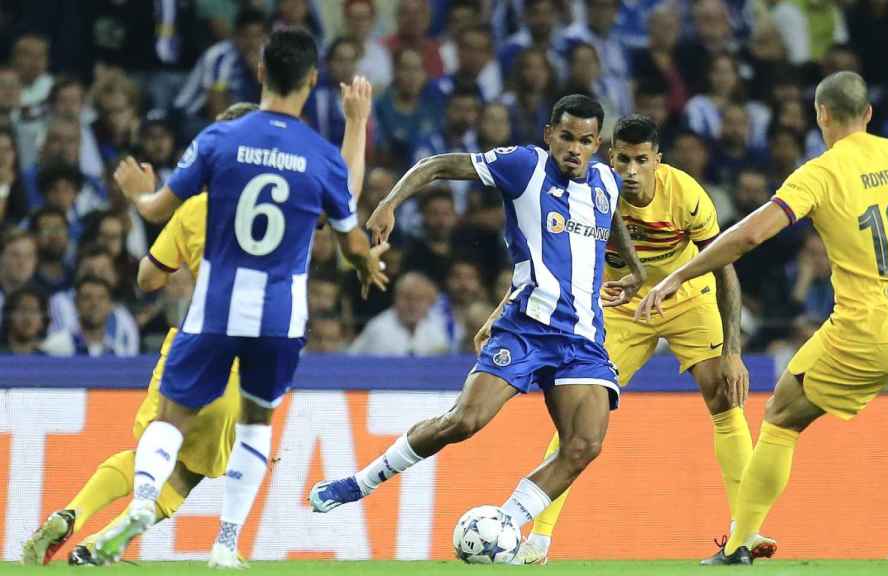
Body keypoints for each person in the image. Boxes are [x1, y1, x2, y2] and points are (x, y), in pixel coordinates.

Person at [638, 71, 888, 565]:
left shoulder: (820, 174)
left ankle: (741, 542)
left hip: (871, 328)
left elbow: (748, 237)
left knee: (781, 416)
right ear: (869, 114)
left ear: (821, 115)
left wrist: (680, 274)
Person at [92, 28, 386, 568]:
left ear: (259, 73)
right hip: (280, 315)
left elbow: (158, 208)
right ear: (313, 81)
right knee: (254, 425)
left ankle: (141, 501)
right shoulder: (318, 156)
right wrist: (356, 124)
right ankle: (225, 546)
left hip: (216, 305)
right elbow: (349, 229)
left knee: (170, 418)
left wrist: (137, 193)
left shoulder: (218, 141)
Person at [309, 95, 647, 562]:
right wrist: (388, 202)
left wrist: (635, 270)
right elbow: (438, 165)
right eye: (566, 137)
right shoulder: (523, 166)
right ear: (550, 135)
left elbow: (612, 223)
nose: (575, 148)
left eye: (586, 141)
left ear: (598, 144)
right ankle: (360, 483)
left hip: (583, 339)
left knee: (585, 445)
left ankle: (504, 524)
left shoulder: (607, 181)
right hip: (526, 328)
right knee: (463, 421)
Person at [514, 114, 776, 564]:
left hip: (687, 297)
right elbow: (542, 253)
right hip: (619, 306)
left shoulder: (688, 195)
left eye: (641, 160)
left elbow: (725, 268)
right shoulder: (586, 189)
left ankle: (745, 534)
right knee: (579, 417)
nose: (630, 171)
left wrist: (734, 352)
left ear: (658, 160)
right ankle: (537, 540)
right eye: (622, 160)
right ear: (608, 156)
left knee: (725, 401)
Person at [19, 101, 269, 567]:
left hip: (193, 343)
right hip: (248, 361)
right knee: (186, 475)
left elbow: (148, 280)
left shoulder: (194, 208)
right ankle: (104, 543)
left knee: (152, 449)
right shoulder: (282, 207)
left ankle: (74, 512)